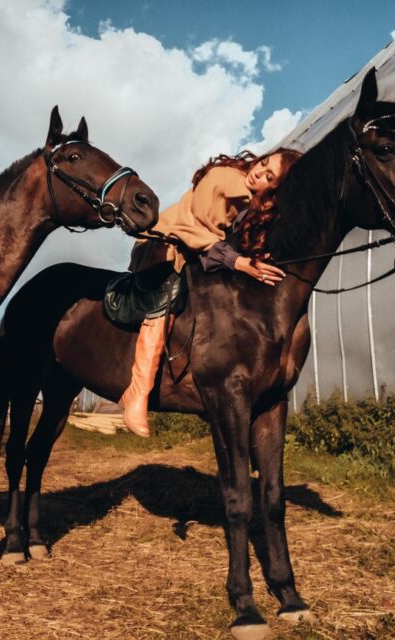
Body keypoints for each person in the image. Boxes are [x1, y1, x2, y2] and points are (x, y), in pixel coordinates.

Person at [119, 147, 302, 437]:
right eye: (263, 163)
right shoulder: (223, 178)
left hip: (199, 252)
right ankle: (137, 393)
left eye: (269, 176)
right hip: (162, 245)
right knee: (169, 292)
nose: (258, 172)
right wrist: (237, 261)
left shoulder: (254, 204)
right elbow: (193, 232)